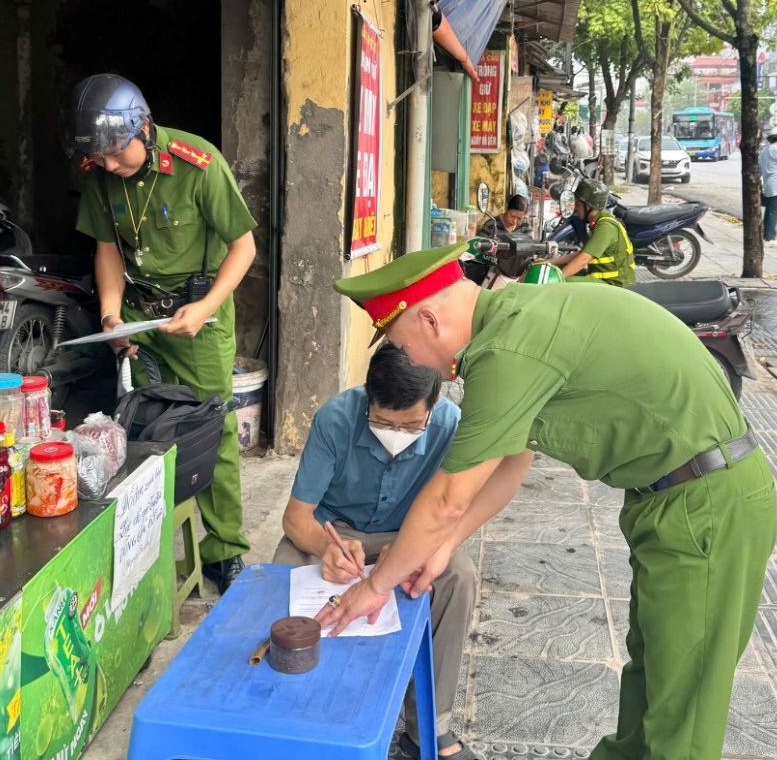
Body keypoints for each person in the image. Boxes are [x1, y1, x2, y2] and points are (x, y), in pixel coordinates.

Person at [325, 246, 777, 760]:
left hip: (707, 506)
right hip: (673, 501)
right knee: (652, 675)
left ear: (430, 320)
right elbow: (511, 464)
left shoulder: (506, 351)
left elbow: (448, 496)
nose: (418, 366)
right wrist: (443, 546)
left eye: (405, 347)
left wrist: (375, 587)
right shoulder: (520, 319)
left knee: (683, 713)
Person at [64, 74, 257, 594]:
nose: (107, 165)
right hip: (139, 315)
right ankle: (140, 550)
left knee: (210, 429)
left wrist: (205, 308)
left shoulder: (199, 164)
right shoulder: (102, 174)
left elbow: (244, 247)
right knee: (136, 425)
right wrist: (110, 317)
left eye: (114, 153)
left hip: (199, 318)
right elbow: (106, 249)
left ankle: (224, 551)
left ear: (142, 127)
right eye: (98, 157)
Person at [274, 345, 474, 760]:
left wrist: (411, 551)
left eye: (411, 425)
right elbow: (296, 519)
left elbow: (453, 513)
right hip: (335, 534)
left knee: (458, 574)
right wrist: (327, 547)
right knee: (281, 574)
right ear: (368, 397)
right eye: (383, 422)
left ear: (434, 404)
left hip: (407, 535)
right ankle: (292, 715)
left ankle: (428, 729)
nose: (395, 434)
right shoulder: (335, 418)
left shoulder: (452, 426)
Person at [547, 178, 635, 286]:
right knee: (554, 271)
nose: (576, 209)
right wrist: (549, 263)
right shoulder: (597, 223)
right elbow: (581, 254)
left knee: (563, 284)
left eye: (578, 205)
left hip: (613, 284)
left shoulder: (605, 227)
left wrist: (556, 280)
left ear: (589, 206)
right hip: (602, 280)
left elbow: (583, 260)